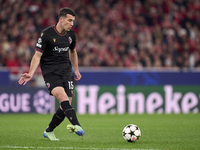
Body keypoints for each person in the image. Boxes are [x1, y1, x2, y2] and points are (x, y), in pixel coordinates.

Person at [18, 7, 85, 141]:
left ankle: (48, 131)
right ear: (61, 19)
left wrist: (76, 70)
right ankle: (77, 125)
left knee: (65, 105)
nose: (72, 24)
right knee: (62, 97)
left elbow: (73, 52)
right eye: (70, 20)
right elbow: (37, 56)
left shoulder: (71, 35)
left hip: (66, 71)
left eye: (73, 21)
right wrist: (31, 73)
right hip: (51, 73)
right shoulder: (47, 34)